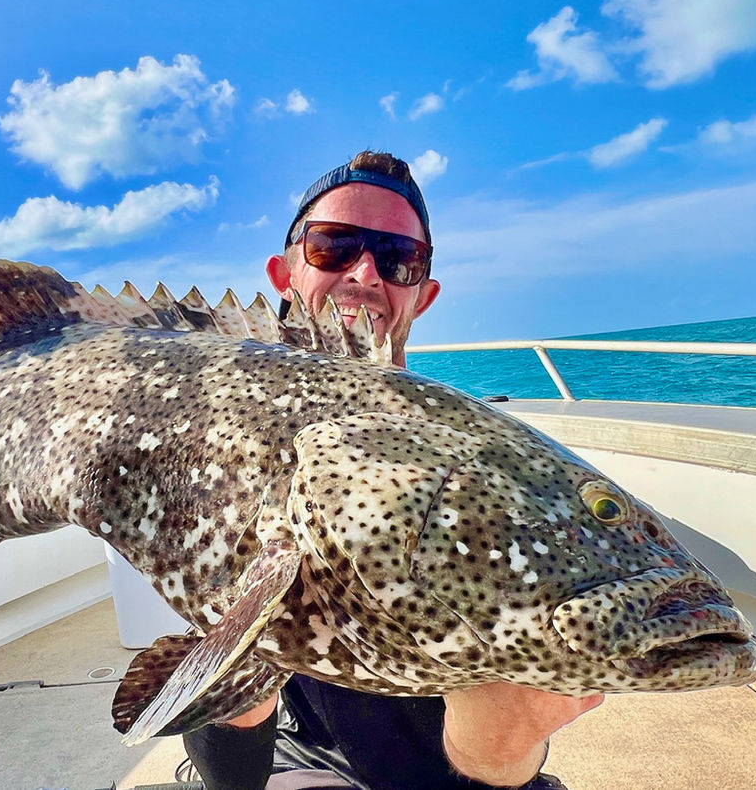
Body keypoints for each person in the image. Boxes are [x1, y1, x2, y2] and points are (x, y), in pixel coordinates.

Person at [181, 151, 598, 790]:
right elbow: (231, 782)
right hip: (308, 763)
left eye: (399, 259)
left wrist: (499, 750)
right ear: (283, 275)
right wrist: (237, 672)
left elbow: (516, 721)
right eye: (332, 247)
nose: (366, 272)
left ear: (422, 293)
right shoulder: (220, 451)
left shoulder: (481, 465)